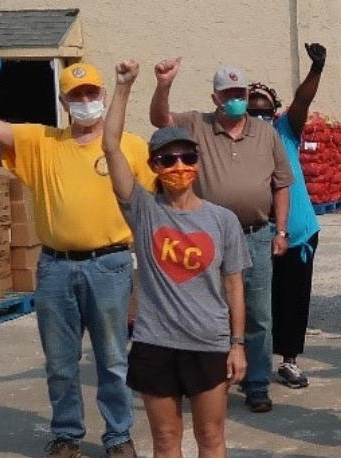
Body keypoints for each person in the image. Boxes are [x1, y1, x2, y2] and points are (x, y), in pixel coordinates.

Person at [0, 50, 152, 457]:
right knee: (61, 362)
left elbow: (154, 202)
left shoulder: (129, 147)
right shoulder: (42, 142)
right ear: (64, 103)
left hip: (111, 264)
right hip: (55, 267)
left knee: (114, 360)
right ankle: (67, 433)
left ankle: (119, 436)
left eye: (91, 92)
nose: (85, 100)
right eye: (76, 94)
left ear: (103, 93)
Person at [102, 61, 252, 458]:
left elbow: (235, 284)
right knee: (166, 441)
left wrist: (237, 345)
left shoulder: (222, 221)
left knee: (211, 438)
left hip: (208, 343)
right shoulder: (144, 210)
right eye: (167, 160)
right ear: (153, 166)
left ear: (197, 162)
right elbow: (111, 146)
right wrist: (123, 87)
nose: (179, 167)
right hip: (155, 343)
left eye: (186, 157)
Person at [147, 58, 294, 413]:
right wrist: (164, 84)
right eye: (227, 94)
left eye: (239, 93)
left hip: (256, 235)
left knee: (258, 312)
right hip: (204, 237)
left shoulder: (266, 133)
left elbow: (282, 184)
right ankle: (203, 379)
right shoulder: (196, 125)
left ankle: (257, 383)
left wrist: (282, 230)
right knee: (203, 309)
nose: (235, 100)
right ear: (215, 97)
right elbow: (159, 120)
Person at [244, 43, 328, 391]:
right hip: (254, 234)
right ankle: (252, 361)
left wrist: (317, 69)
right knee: (256, 302)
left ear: (275, 111)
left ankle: (288, 361)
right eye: (252, 109)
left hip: (296, 232)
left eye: (265, 109)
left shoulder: (285, 131)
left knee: (291, 299)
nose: (258, 114)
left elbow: (303, 100)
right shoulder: (234, 139)